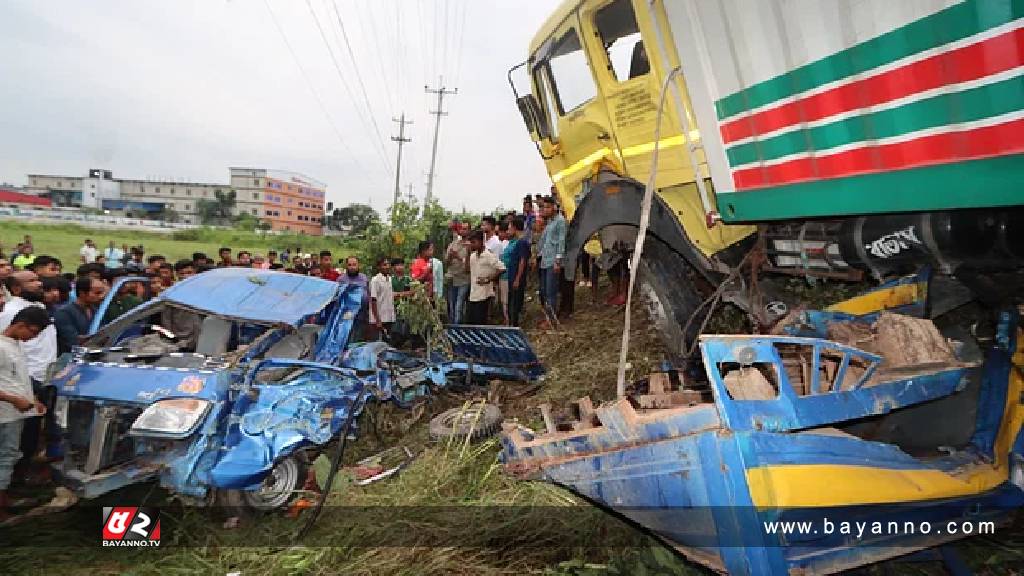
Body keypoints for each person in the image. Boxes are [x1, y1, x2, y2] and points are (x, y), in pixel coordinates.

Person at [0, 306, 51, 520]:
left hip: (16, 411)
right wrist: (14, 399)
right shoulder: (1, 348)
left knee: (11, 454)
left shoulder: (16, 345)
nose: (33, 338)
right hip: (5, 412)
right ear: (20, 325)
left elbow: (18, 378)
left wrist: (33, 400)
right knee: (6, 455)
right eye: (32, 332)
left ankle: (6, 495)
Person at [54, 277, 107, 355]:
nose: (102, 296)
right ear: (83, 293)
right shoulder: (64, 313)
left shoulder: (96, 310)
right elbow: (73, 340)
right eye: (97, 293)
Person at [466, 230, 506, 325]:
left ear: (481, 241)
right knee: (471, 321)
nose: (472, 245)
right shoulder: (472, 256)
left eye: (474, 242)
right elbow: (467, 270)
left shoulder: (488, 255)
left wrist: (488, 279)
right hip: (473, 293)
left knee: (481, 321)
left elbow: (502, 268)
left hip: (484, 294)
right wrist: (468, 254)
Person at [538, 196, 566, 328]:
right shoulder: (549, 222)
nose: (545, 209)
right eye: (544, 207)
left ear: (554, 207)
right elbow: (544, 243)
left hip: (553, 261)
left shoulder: (560, 221)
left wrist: (558, 260)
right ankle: (548, 316)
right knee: (544, 290)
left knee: (551, 291)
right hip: (545, 260)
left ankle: (551, 319)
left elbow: (561, 241)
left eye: (548, 207)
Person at [506, 217, 532, 327]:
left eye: (509, 228)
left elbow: (523, 261)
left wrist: (517, 278)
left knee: (515, 304)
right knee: (511, 302)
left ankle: (514, 325)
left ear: (515, 228)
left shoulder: (522, 242)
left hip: (517, 277)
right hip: (511, 276)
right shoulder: (516, 242)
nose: (508, 231)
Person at [338, 257, 369, 341]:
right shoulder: (341, 279)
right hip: (347, 317)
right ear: (346, 266)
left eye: (354, 265)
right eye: (350, 265)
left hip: (362, 315)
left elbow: (369, 293)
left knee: (359, 340)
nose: (352, 267)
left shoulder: (364, 278)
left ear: (358, 265)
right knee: (347, 339)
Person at [444, 223, 470, 324]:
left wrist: (458, 256)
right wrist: (450, 256)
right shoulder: (453, 244)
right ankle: (452, 329)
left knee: (459, 306)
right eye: (461, 229)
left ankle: (457, 328)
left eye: (465, 229)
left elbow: (471, 263)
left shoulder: (471, 245)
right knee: (452, 305)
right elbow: (446, 262)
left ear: (469, 231)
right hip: (452, 278)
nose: (463, 231)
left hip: (464, 279)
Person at [368, 257, 395, 341]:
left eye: (388, 264)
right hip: (379, 319)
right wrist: (377, 320)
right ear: (379, 267)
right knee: (378, 344)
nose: (387, 267)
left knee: (387, 343)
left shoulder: (390, 279)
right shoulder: (375, 280)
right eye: (384, 265)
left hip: (389, 317)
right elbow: (373, 300)